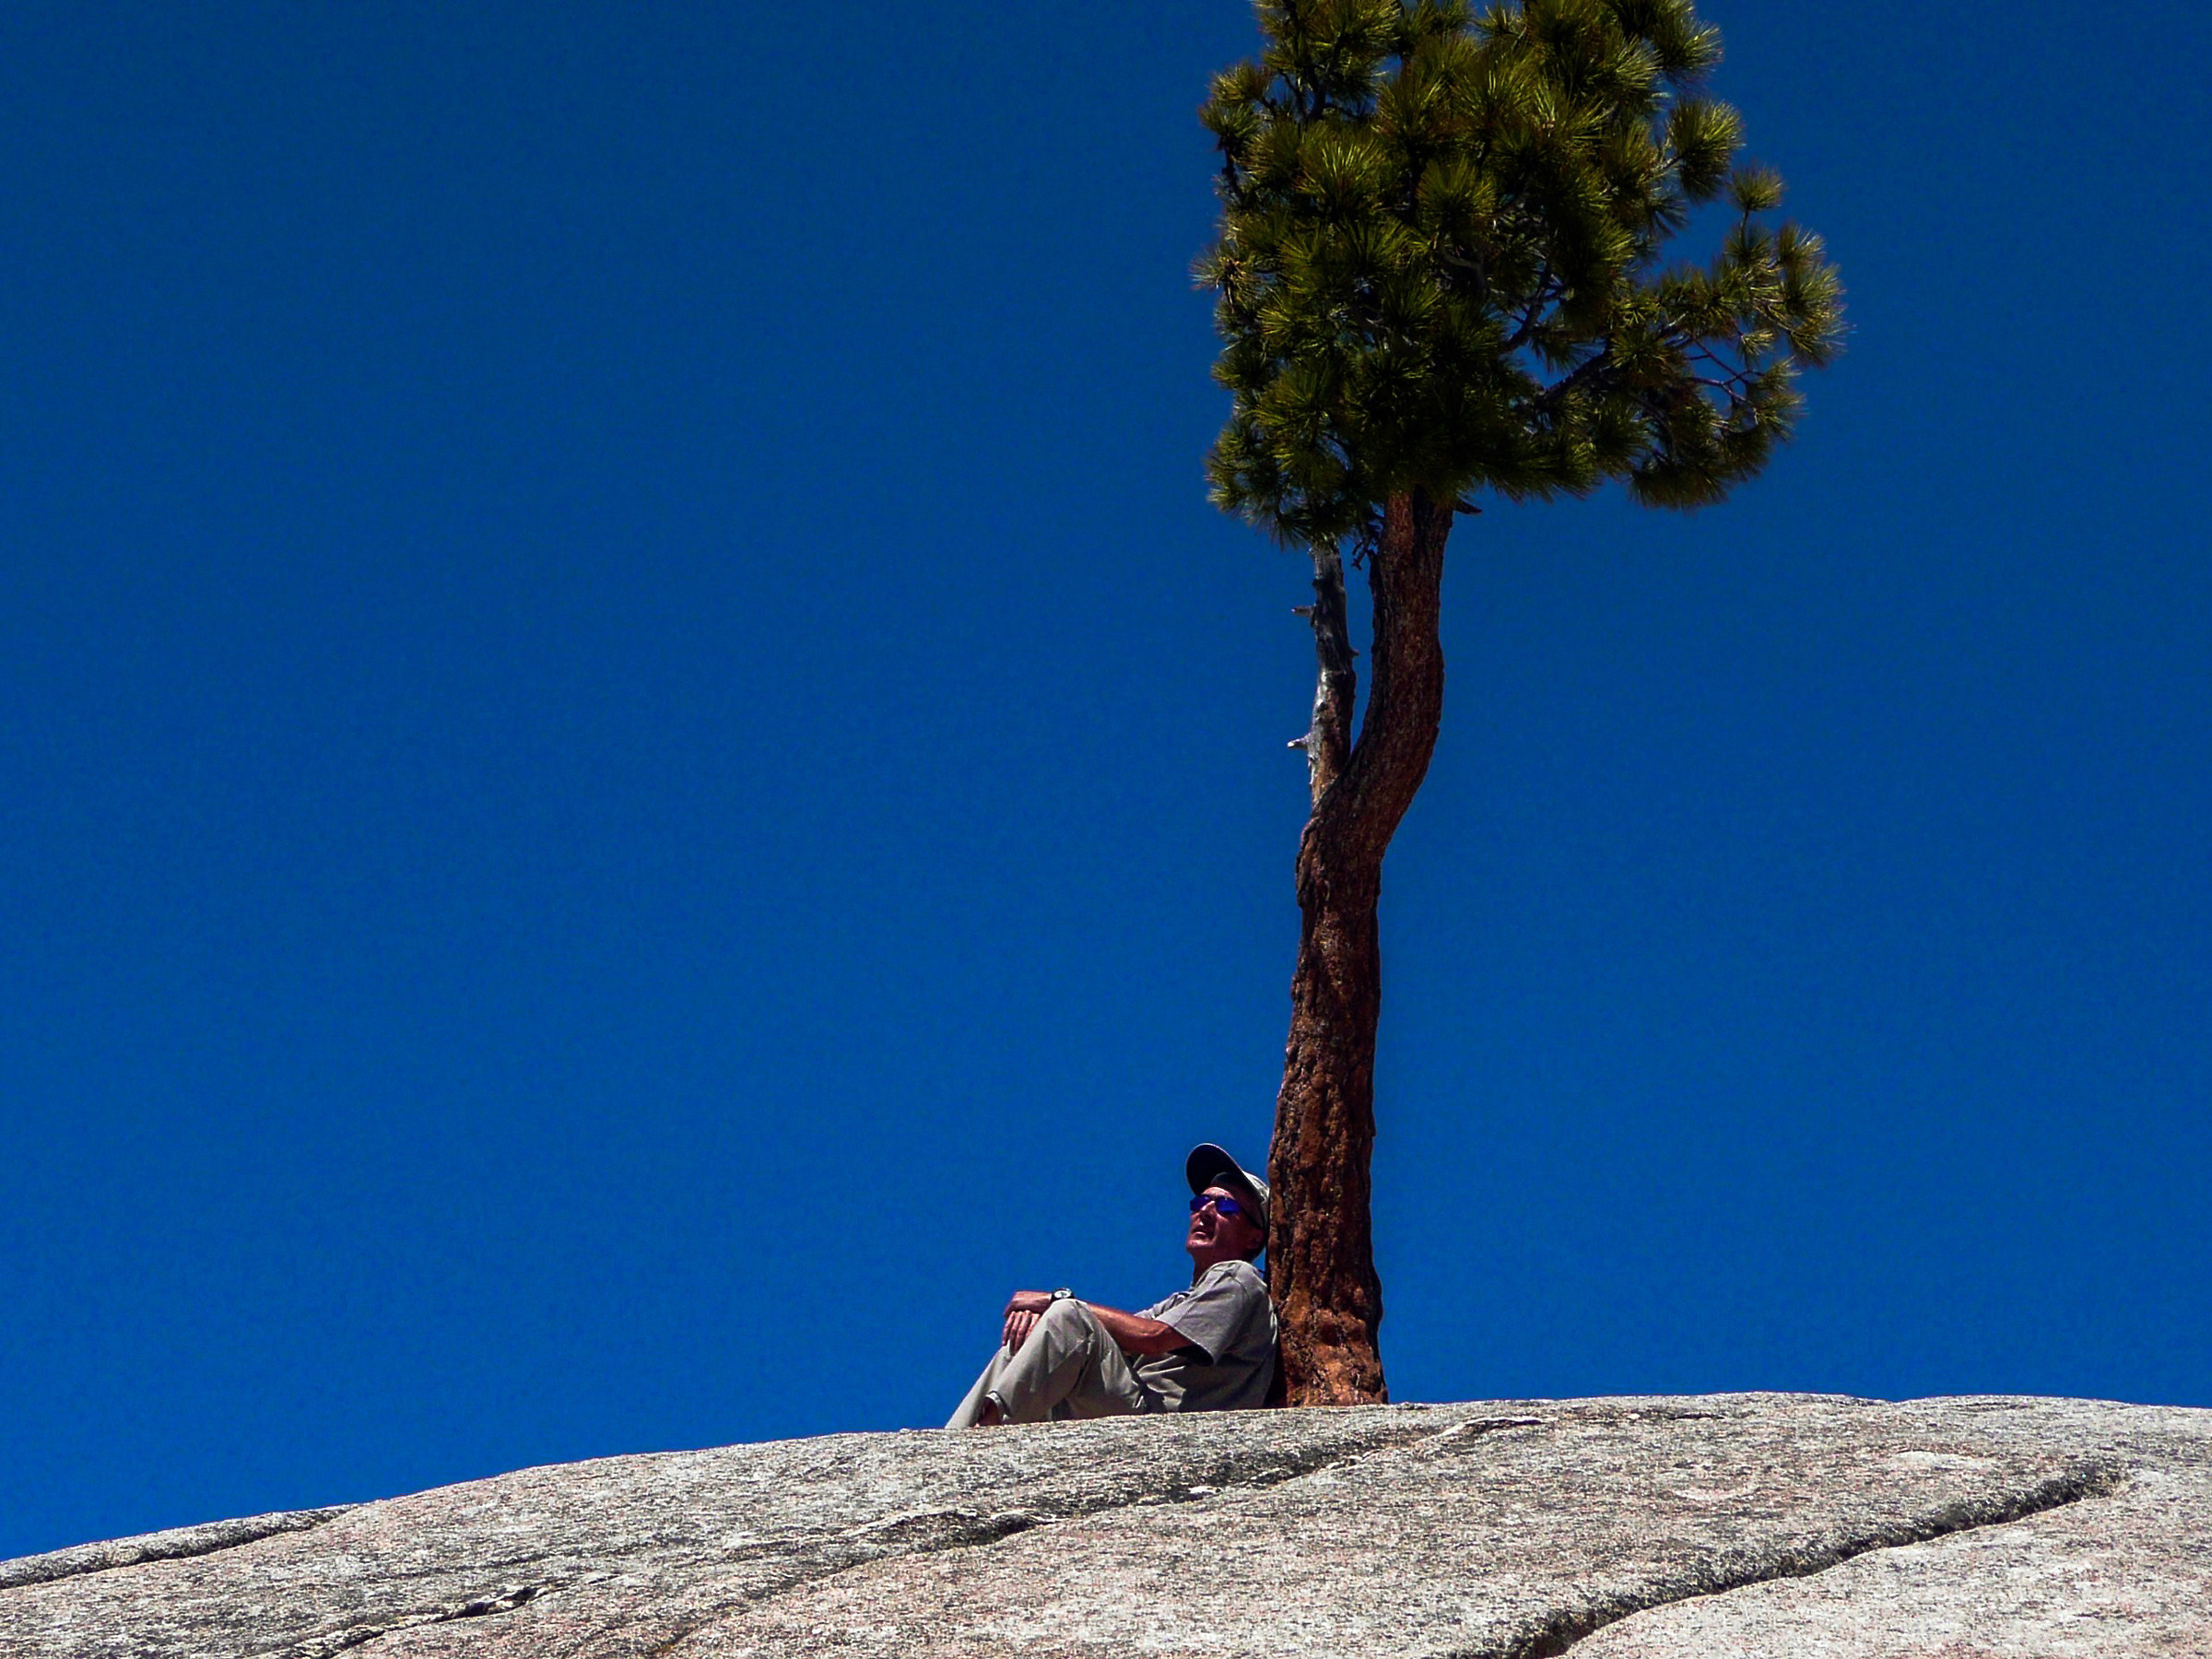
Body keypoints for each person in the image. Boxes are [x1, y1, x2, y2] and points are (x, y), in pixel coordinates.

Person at [946, 1143, 1278, 1428]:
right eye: (1199, 1203)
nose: (1205, 1212)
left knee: (1068, 1317)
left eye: (1225, 1206)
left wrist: (1056, 1302)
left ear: (1254, 1237)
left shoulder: (1239, 1278)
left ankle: (985, 1433)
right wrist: (1045, 1324)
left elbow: (1151, 1337)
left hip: (1166, 1427)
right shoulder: (1182, 1300)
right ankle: (954, 1443)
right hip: (1133, 1412)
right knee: (1027, 1340)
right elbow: (1112, 1338)